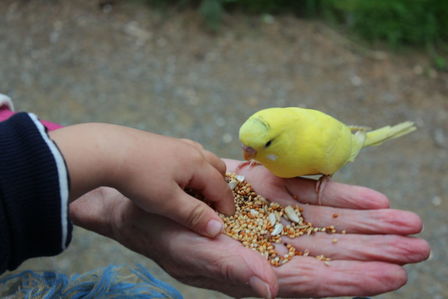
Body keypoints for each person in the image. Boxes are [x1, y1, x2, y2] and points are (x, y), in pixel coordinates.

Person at [0, 94, 430, 298]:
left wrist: (102, 166)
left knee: (348, 152)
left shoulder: (316, 143)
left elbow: (341, 147)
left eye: (257, 150)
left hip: (330, 154)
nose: (247, 156)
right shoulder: (269, 135)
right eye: (248, 149)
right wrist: (106, 178)